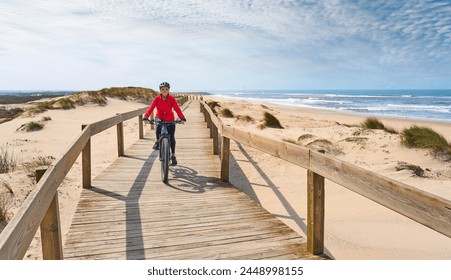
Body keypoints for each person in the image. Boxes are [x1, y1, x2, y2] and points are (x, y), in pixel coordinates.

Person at [143, 82, 186, 166]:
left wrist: (182, 118)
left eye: (166, 89)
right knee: (158, 126)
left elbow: (177, 109)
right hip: (159, 117)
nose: (165, 91)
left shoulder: (172, 99)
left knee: (172, 137)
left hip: (170, 119)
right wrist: (146, 116)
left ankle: (173, 155)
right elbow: (151, 107)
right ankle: (158, 141)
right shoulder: (157, 99)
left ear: (169, 90)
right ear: (160, 90)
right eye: (163, 89)